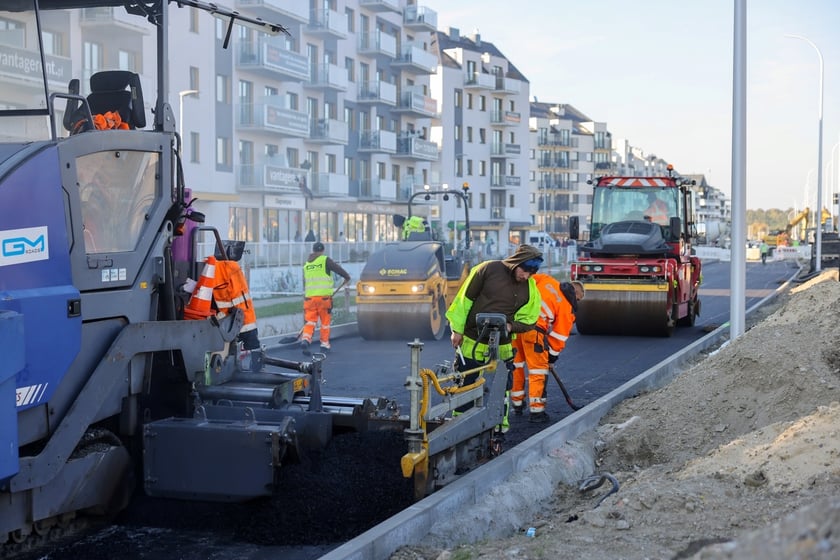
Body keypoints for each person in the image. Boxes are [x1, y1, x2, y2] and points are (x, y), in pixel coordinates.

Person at [445, 244, 543, 433]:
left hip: (502, 346)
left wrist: (510, 326)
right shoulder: (487, 269)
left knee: (500, 389)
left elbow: (530, 319)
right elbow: (464, 300)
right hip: (472, 341)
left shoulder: (529, 287)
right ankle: (459, 427)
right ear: (516, 263)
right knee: (466, 385)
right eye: (525, 271)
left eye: (531, 273)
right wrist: (457, 330)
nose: (526, 276)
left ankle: (498, 429)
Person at [511, 278, 584, 423]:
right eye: (578, 299)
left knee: (516, 366)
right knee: (538, 371)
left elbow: (526, 281)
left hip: (515, 326)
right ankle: (537, 412)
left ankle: (517, 403)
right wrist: (551, 358)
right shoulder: (566, 306)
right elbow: (559, 337)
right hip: (534, 332)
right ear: (576, 293)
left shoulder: (547, 280)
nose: (577, 302)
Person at [301, 241, 351, 354]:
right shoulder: (325, 260)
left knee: (310, 322)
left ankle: (306, 339)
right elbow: (337, 269)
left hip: (309, 299)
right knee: (325, 322)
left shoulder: (307, 265)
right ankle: (324, 344)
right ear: (322, 251)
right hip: (323, 299)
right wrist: (346, 276)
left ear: (313, 250)